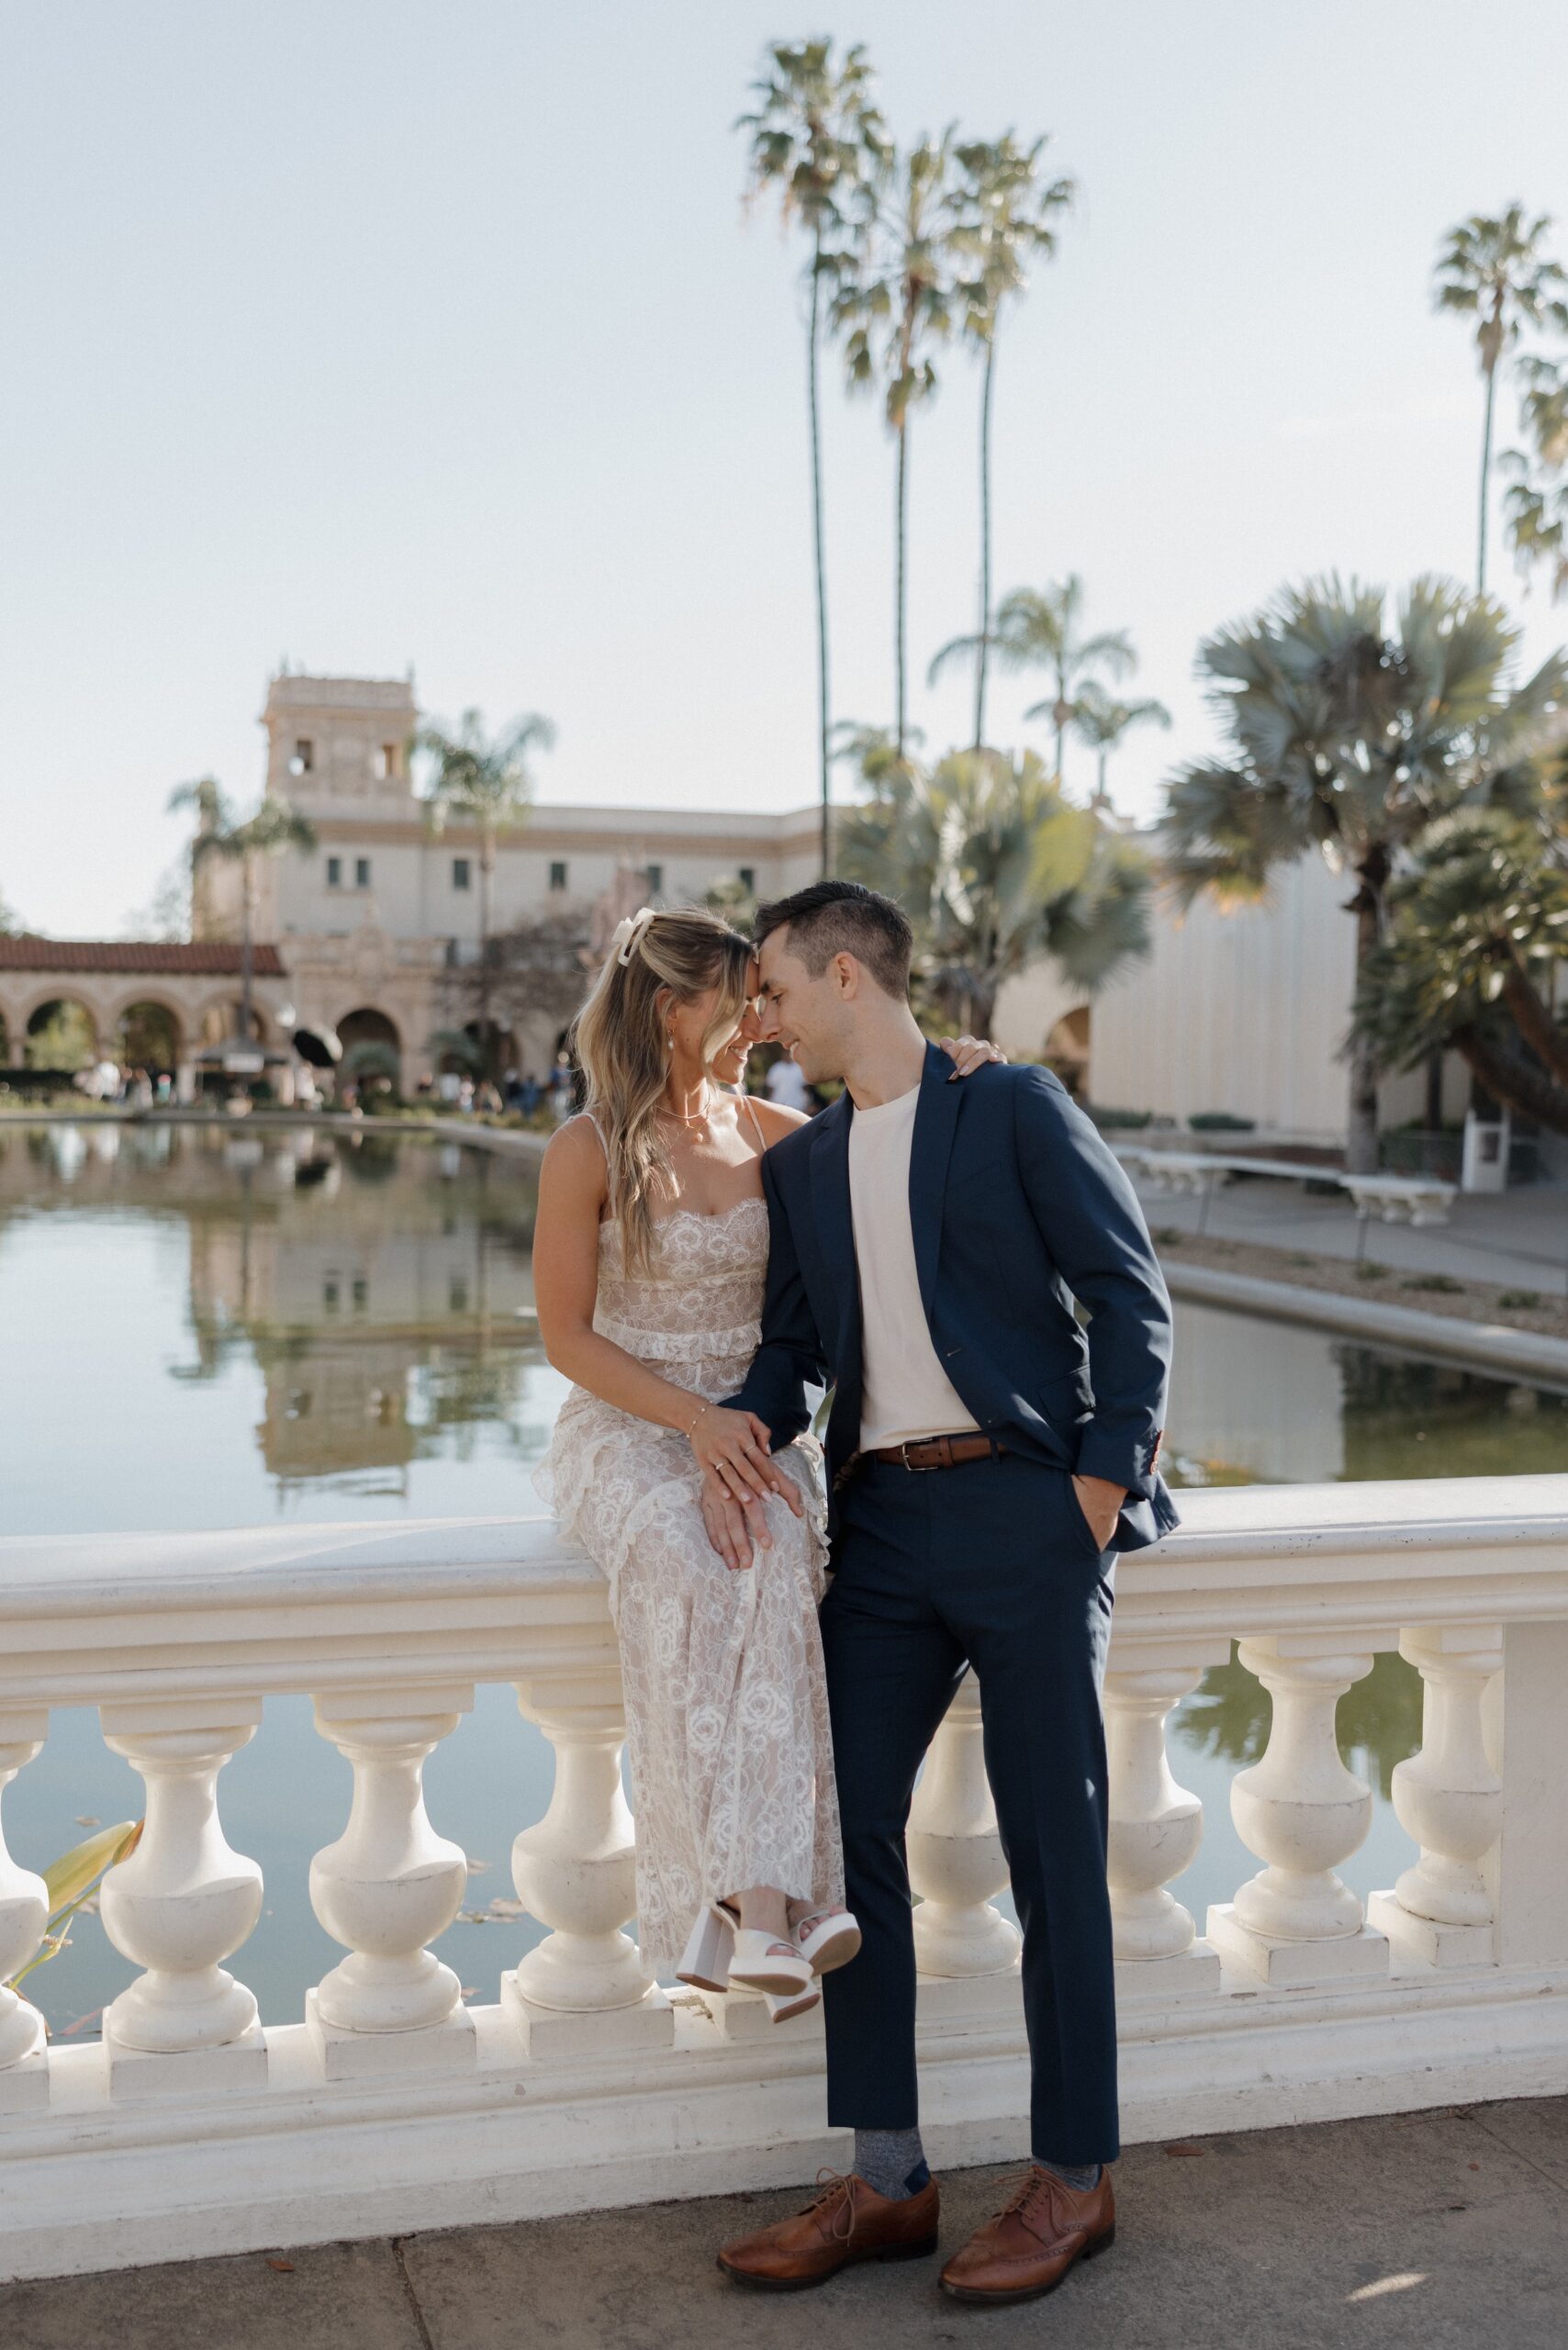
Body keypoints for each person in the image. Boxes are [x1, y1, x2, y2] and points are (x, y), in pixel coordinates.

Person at [705, 880, 1176, 2309]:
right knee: (843, 1836)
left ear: (848, 975)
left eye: (777, 988)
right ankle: (889, 2179)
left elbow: (1129, 1296)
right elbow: (794, 1352)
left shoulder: (1012, 1106)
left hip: (1028, 1516)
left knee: (1053, 1847)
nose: (764, 1016)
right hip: (884, 1537)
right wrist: (720, 1432)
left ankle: (1075, 2179)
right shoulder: (805, 1164)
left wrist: (1094, 1495)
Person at [532, 906, 1001, 2026]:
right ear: (670, 1008)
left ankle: (753, 1910)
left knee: (782, 1548)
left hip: (750, 1429)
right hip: (629, 1424)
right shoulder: (586, 1148)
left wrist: (964, 1075)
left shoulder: (781, 1137)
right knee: (683, 1555)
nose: (759, 1023)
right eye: (740, 1002)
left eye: (764, 1000)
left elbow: (900, 1134)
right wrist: (691, 1426)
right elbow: (565, 1337)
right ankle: (765, 1903)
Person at [762, 1050, 813, 1115]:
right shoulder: (776, 1068)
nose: (787, 1056)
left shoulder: (799, 1068)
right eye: (785, 1054)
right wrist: (769, 1101)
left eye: (789, 1054)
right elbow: (770, 1087)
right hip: (779, 1104)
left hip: (797, 1105)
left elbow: (805, 1087)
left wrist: (807, 1101)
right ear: (782, 1054)